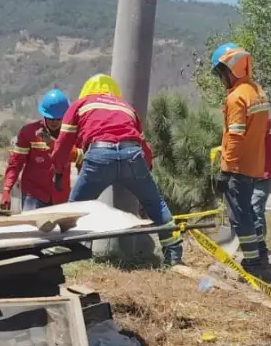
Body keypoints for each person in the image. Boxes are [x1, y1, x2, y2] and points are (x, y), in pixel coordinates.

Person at [51, 74, 182, 265]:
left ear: (87, 91)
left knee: (75, 207)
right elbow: (144, 147)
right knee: (157, 204)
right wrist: (146, 173)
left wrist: (58, 169)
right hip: (132, 155)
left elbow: (63, 143)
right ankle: (174, 255)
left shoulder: (80, 105)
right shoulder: (127, 108)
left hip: (100, 155)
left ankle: (64, 254)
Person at [210, 43, 271, 269]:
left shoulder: (236, 98)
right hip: (255, 165)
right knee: (249, 212)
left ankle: (253, 262)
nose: (220, 79)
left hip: (239, 168)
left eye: (220, 72)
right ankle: (260, 252)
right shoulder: (257, 91)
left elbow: (235, 137)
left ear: (230, 69)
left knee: (240, 217)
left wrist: (226, 170)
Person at [0, 89, 80, 211]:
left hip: (60, 197)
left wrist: (52, 143)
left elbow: (78, 157)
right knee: (32, 228)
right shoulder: (28, 133)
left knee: (60, 230)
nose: (54, 122)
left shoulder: (71, 134)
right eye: (50, 118)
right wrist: (6, 189)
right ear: (44, 114)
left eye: (58, 119)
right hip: (33, 195)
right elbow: (16, 163)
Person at [250, 118, 271, 264]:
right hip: (250, 176)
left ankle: (260, 250)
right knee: (249, 213)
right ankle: (255, 249)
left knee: (255, 210)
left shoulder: (262, 120)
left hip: (262, 177)